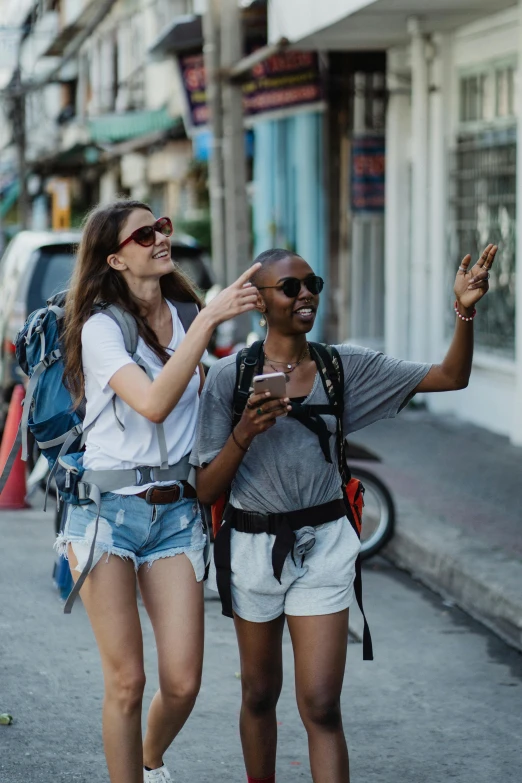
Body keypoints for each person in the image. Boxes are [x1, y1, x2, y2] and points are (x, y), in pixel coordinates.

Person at [191, 243, 497, 783]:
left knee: (322, 706)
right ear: (260, 301)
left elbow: (451, 377)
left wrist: (465, 310)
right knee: (259, 694)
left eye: (313, 284)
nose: (305, 294)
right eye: (290, 287)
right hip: (253, 547)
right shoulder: (227, 378)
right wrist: (244, 433)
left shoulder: (343, 367)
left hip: (325, 544)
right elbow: (205, 487)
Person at [55, 199, 260, 783]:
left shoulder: (186, 311)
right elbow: (151, 403)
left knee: (183, 681)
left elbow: (205, 396)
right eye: (143, 234)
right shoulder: (99, 328)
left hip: (175, 514)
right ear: (116, 259)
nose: (159, 238)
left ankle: (148, 761)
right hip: (105, 516)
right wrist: (207, 322)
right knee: (127, 681)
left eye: (162, 226)